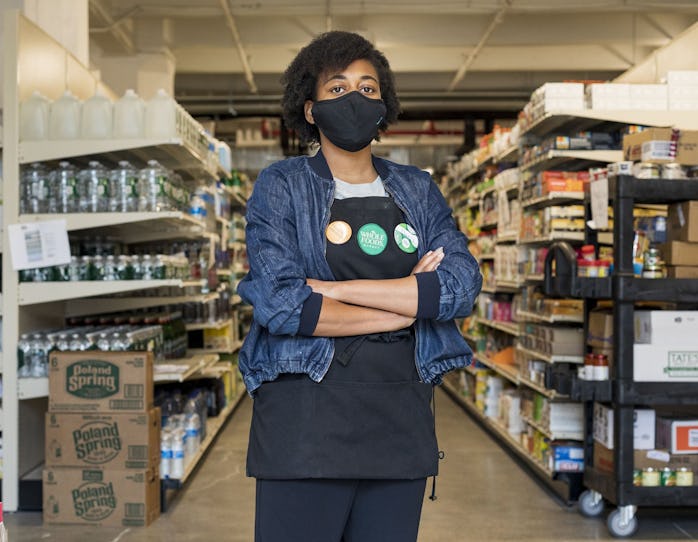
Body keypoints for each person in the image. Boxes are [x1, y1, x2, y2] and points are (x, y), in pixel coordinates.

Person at [237, 30, 482, 542]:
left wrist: (333, 290)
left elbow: (458, 286)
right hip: (304, 419)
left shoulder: (417, 188)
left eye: (369, 89)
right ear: (309, 110)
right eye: (338, 88)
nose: (356, 99)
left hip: (399, 417)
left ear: (384, 105)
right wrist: (406, 305)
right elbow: (283, 307)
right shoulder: (282, 185)